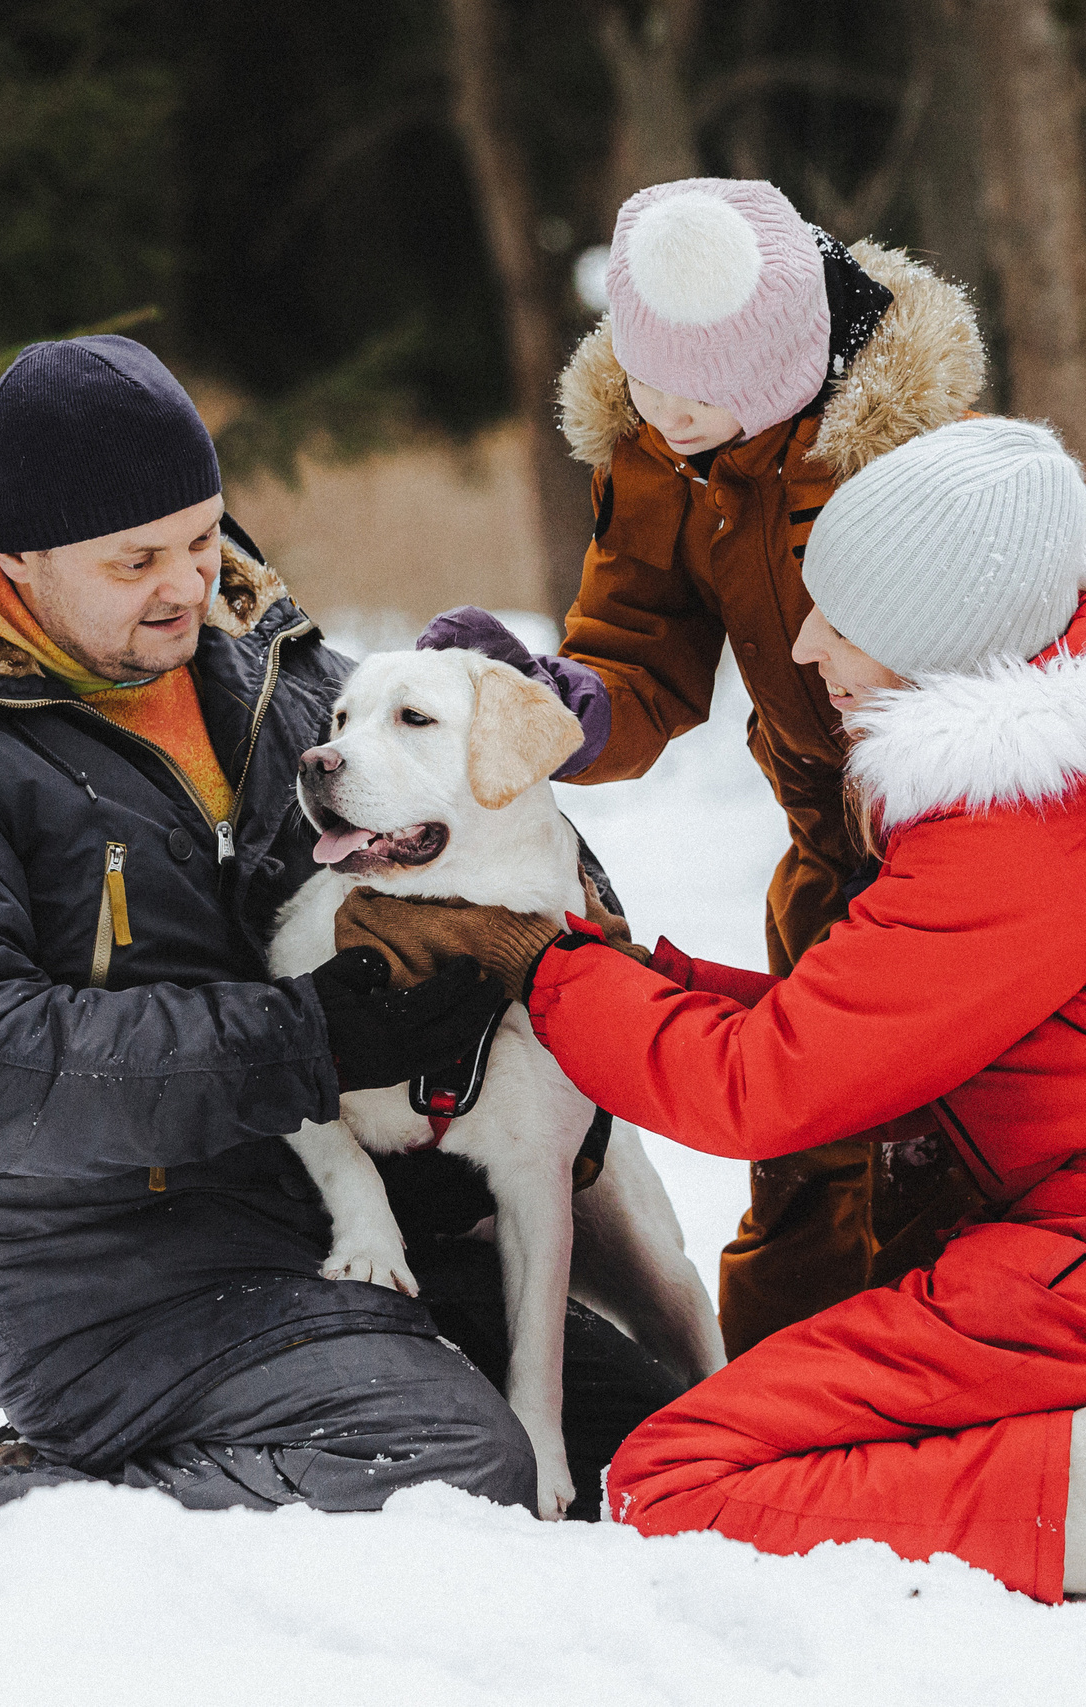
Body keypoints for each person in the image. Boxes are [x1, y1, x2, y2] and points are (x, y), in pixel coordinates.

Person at [343, 417, 1086, 1600]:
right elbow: (855, 1016)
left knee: (675, 1477)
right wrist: (621, 968)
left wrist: (537, 962)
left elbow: (761, 1088)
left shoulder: (1032, 829)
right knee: (776, 1435)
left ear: (936, 636)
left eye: (839, 621)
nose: (801, 644)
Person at [0, 335, 683, 1537]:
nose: (187, 588)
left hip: (362, 1216)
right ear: (15, 555)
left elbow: (481, 816)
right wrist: (303, 1038)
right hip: (111, 1271)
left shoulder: (267, 665)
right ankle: (38, 1500)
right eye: (135, 559)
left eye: (202, 539)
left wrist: (535, 956)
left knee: (658, 1453)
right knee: (456, 1469)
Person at [421, 177, 991, 1359]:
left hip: (964, 858)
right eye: (646, 383)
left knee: (956, 1160)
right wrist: (562, 708)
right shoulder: (658, 457)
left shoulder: (902, 460)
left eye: (701, 395)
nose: (668, 415)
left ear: (783, 370)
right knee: (809, 1180)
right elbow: (638, 656)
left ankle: (976, 1398)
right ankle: (775, 1416)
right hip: (827, 865)